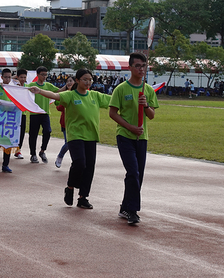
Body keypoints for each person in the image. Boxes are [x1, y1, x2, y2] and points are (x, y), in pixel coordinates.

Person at [30, 69, 111, 210]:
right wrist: (40, 91)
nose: (88, 82)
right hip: (75, 135)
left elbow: (113, 100)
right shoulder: (70, 95)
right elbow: (55, 95)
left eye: (90, 80)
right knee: (80, 163)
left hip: (91, 136)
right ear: (78, 80)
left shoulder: (95, 96)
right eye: (85, 79)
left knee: (89, 167)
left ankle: (83, 197)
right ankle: (70, 187)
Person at [109, 52, 159, 225]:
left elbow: (151, 115)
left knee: (138, 175)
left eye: (143, 66)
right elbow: (113, 113)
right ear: (130, 67)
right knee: (133, 172)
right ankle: (132, 211)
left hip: (141, 137)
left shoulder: (149, 90)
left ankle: (125, 206)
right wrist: (129, 127)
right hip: (125, 136)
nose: (141, 69)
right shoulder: (121, 89)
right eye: (137, 66)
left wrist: (145, 105)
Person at [27, 66, 65, 163]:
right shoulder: (32, 85)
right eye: (42, 75)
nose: (44, 77)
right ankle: (33, 154)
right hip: (34, 113)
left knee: (47, 131)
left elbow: (59, 91)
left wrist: (68, 85)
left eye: (46, 75)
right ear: (38, 75)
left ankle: (42, 151)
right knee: (33, 134)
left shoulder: (48, 85)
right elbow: (23, 93)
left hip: (45, 113)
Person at [55, 76, 75, 168]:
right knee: (68, 143)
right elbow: (59, 108)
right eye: (67, 81)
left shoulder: (80, 93)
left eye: (71, 81)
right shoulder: (65, 94)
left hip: (77, 124)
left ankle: (76, 162)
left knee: (76, 143)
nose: (69, 83)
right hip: (65, 123)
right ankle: (60, 156)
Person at [14, 69, 28, 159]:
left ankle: (18, 150)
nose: (23, 79)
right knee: (14, 131)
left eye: (24, 77)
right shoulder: (13, 86)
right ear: (17, 77)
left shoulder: (28, 87)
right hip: (14, 113)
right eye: (21, 77)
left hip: (23, 113)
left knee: (21, 132)